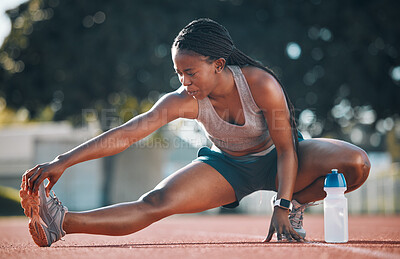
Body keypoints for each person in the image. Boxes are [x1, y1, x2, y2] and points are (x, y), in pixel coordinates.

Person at [20, 18, 371, 247]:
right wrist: (62, 161)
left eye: (190, 72)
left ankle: (297, 202)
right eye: (178, 74)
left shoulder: (261, 85)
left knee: (356, 163)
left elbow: (286, 150)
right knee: (155, 203)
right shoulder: (182, 101)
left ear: (218, 65)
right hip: (229, 168)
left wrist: (283, 202)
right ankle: (61, 223)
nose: (183, 83)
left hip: (282, 160)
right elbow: (125, 134)